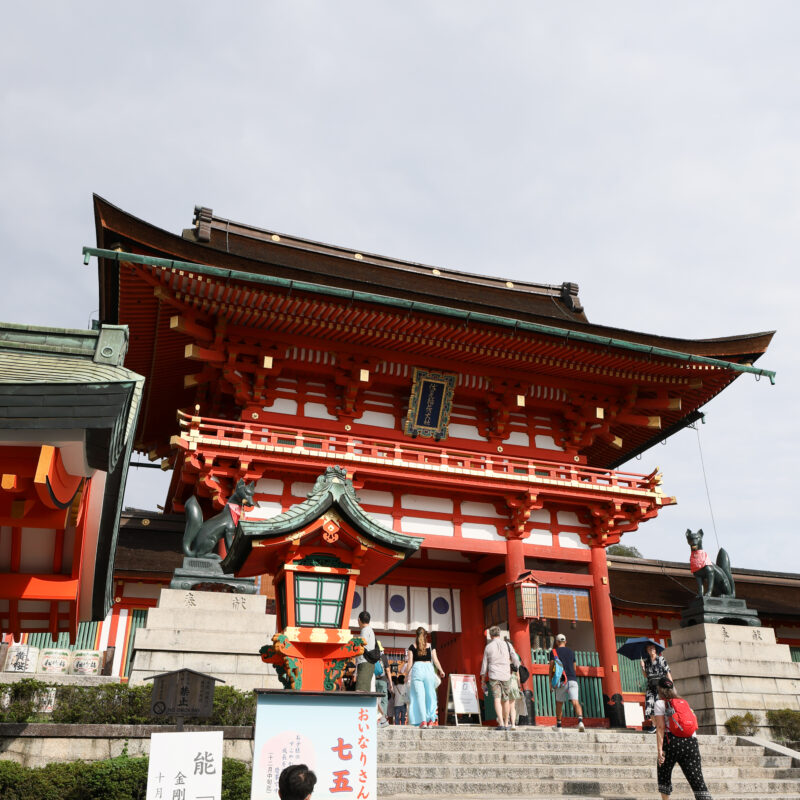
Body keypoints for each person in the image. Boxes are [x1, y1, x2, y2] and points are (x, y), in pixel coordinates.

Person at [654, 678, 712, 800]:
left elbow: (660, 727)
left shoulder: (660, 703)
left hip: (672, 742)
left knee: (664, 774)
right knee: (697, 778)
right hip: (691, 742)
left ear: (659, 689)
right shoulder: (684, 702)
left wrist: (660, 750)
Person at [480, 626, 519, 730]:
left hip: (494, 675)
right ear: (499, 634)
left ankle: (501, 723)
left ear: (490, 635)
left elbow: (484, 664)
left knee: (497, 699)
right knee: (505, 699)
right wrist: (516, 667)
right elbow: (515, 658)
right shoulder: (508, 644)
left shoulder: (488, 647)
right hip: (506, 675)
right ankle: (507, 724)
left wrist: (483, 679)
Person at [406, 626, 445, 728]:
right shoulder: (431, 646)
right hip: (429, 670)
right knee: (430, 696)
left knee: (419, 697)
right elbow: (435, 660)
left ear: (416, 635)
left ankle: (423, 721)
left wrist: (406, 676)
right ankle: (431, 720)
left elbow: (409, 663)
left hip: (417, 669)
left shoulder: (412, 646)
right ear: (426, 635)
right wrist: (441, 670)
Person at [549, 633, 585, 732]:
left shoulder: (554, 652)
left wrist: (550, 682)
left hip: (562, 681)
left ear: (556, 642)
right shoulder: (571, 652)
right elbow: (574, 667)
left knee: (559, 703)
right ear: (565, 641)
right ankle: (580, 722)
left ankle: (559, 726)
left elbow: (551, 667)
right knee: (575, 702)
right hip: (572, 680)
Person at [641, 642, 672, 732]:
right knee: (649, 707)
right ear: (647, 651)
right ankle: (656, 725)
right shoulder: (646, 662)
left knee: (662, 706)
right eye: (650, 648)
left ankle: (664, 725)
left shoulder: (661, 659)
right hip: (651, 687)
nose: (652, 650)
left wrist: (671, 685)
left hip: (661, 686)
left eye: (653, 648)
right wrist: (643, 667)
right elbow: (645, 675)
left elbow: (668, 672)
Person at [355, 610, 376, 692]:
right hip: (368, 663)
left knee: (361, 689)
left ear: (359, 620)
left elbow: (362, 643)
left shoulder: (365, 630)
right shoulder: (370, 630)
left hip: (364, 662)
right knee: (365, 689)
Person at [374, 641, 393, 727]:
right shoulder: (383, 656)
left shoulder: (371, 656)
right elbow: (388, 670)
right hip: (383, 680)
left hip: (373, 680)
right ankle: (383, 719)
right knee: (384, 700)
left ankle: (376, 718)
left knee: (375, 700)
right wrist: (391, 683)